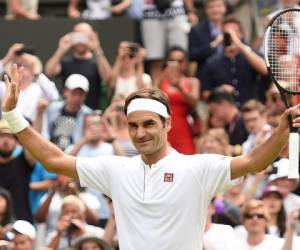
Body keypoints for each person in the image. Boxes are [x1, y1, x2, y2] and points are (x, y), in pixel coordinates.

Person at [2, 64, 300, 250]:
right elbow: (54, 160)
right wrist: (13, 117)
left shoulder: (197, 168)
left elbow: (254, 162)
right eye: (133, 125)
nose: (140, 133)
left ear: (168, 124)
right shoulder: (115, 169)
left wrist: (281, 131)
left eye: (148, 124)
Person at [201, 16, 268, 104]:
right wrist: (219, 91)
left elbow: (264, 70)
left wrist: (238, 43)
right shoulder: (212, 62)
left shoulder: (251, 54)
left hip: (252, 109)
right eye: (227, 33)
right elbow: (205, 94)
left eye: (234, 32)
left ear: (241, 34)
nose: (231, 36)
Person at [45, 22, 111, 110]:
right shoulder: (66, 61)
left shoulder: (97, 62)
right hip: (69, 112)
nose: (81, 40)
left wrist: (97, 48)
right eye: (78, 36)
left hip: (91, 112)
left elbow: (108, 79)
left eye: (84, 36)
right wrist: (61, 49)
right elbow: (49, 71)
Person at [159, 46, 200, 154]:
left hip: (183, 129)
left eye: (180, 61)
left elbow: (195, 103)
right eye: (172, 60)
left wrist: (179, 87)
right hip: (164, 128)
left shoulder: (192, 81)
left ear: (185, 63)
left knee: (187, 161)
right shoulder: (161, 81)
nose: (176, 64)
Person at [46, 73, 92, 151]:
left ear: (85, 95)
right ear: (65, 91)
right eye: (74, 93)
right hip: (50, 151)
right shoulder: (51, 108)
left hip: (74, 155)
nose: (77, 97)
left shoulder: (89, 114)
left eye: (81, 94)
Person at [188, 0, 227, 84]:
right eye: (211, 7)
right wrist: (213, 45)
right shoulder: (197, 30)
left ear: (225, 8)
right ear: (206, 10)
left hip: (230, 73)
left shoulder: (232, 26)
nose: (215, 10)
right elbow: (192, 55)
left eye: (218, 6)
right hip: (207, 76)